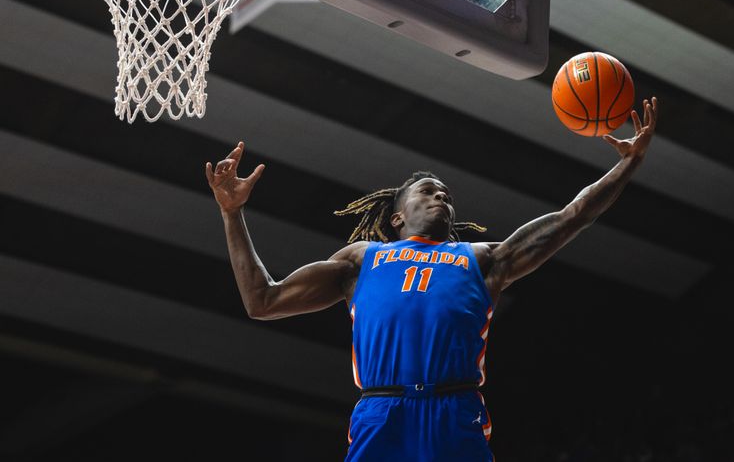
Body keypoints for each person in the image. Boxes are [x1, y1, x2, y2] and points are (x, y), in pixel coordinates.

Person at [205, 97, 659, 461]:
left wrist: (629, 163)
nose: (441, 195)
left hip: (454, 409)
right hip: (382, 411)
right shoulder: (363, 260)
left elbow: (571, 217)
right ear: (398, 216)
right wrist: (232, 213)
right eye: (428, 190)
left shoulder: (482, 259)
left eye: (446, 193)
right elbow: (261, 300)